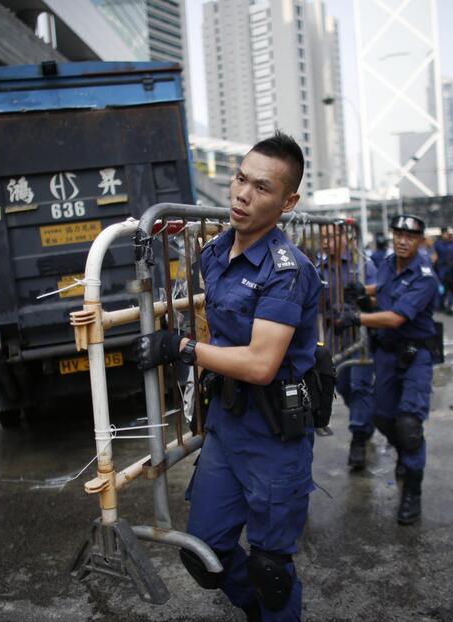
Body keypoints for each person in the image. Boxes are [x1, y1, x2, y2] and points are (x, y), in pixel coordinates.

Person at [136, 132, 321, 620]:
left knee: (272, 571)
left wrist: (181, 348)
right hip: (227, 423)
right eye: (240, 179)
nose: (242, 194)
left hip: (274, 433)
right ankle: (255, 609)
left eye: (261, 188)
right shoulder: (215, 254)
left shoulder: (288, 270)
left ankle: (271, 608)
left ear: (288, 201)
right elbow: (215, 330)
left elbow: (261, 363)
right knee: (203, 553)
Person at [336, 214, 439, 526]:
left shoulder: (424, 276)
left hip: (415, 356)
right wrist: (363, 290)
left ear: (420, 240)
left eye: (410, 236)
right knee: (381, 416)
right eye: (398, 234)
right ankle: (407, 454)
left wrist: (358, 319)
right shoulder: (387, 262)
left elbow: (395, 317)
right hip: (386, 355)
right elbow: (384, 291)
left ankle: (412, 488)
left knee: (408, 424)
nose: (403, 240)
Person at [322, 228, 376, 470]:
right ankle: (365, 418)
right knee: (342, 385)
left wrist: (361, 303)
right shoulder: (318, 269)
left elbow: (380, 296)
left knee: (360, 385)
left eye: (332, 236)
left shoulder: (362, 266)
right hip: (335, 336)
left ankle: (358, 438)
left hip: (362, 334)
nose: (327, 242)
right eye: (323, 237)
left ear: (345, 238)